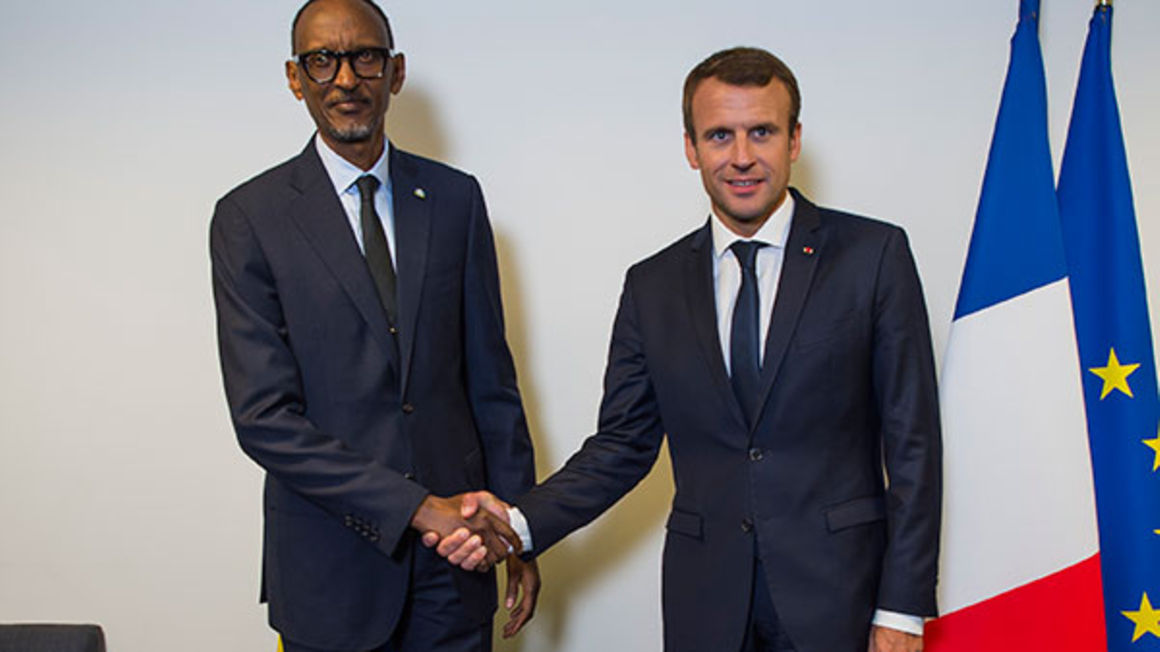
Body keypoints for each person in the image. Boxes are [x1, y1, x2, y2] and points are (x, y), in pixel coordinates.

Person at [433, 47, 942, 652]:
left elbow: (913, 445)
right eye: (720, 135)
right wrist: (518, 525)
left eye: (763, 132)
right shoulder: (652, 286)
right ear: (691, 148)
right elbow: (621, 447)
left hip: (843, 600)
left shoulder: (873, 257)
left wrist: (904, 609)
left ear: (795, 139)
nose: (743, 156)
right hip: (707, 605)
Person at [209, 1, 538, 650]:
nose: (345, 79)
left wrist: (524, 529)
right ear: (294, 77)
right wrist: (418, 509)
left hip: (458, 565)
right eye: (321, 61)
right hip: (330, 571)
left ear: (395, 71)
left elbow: (490, 381)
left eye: (365, 57)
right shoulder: (250, 218)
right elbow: (264, 418)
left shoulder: (454, 199)